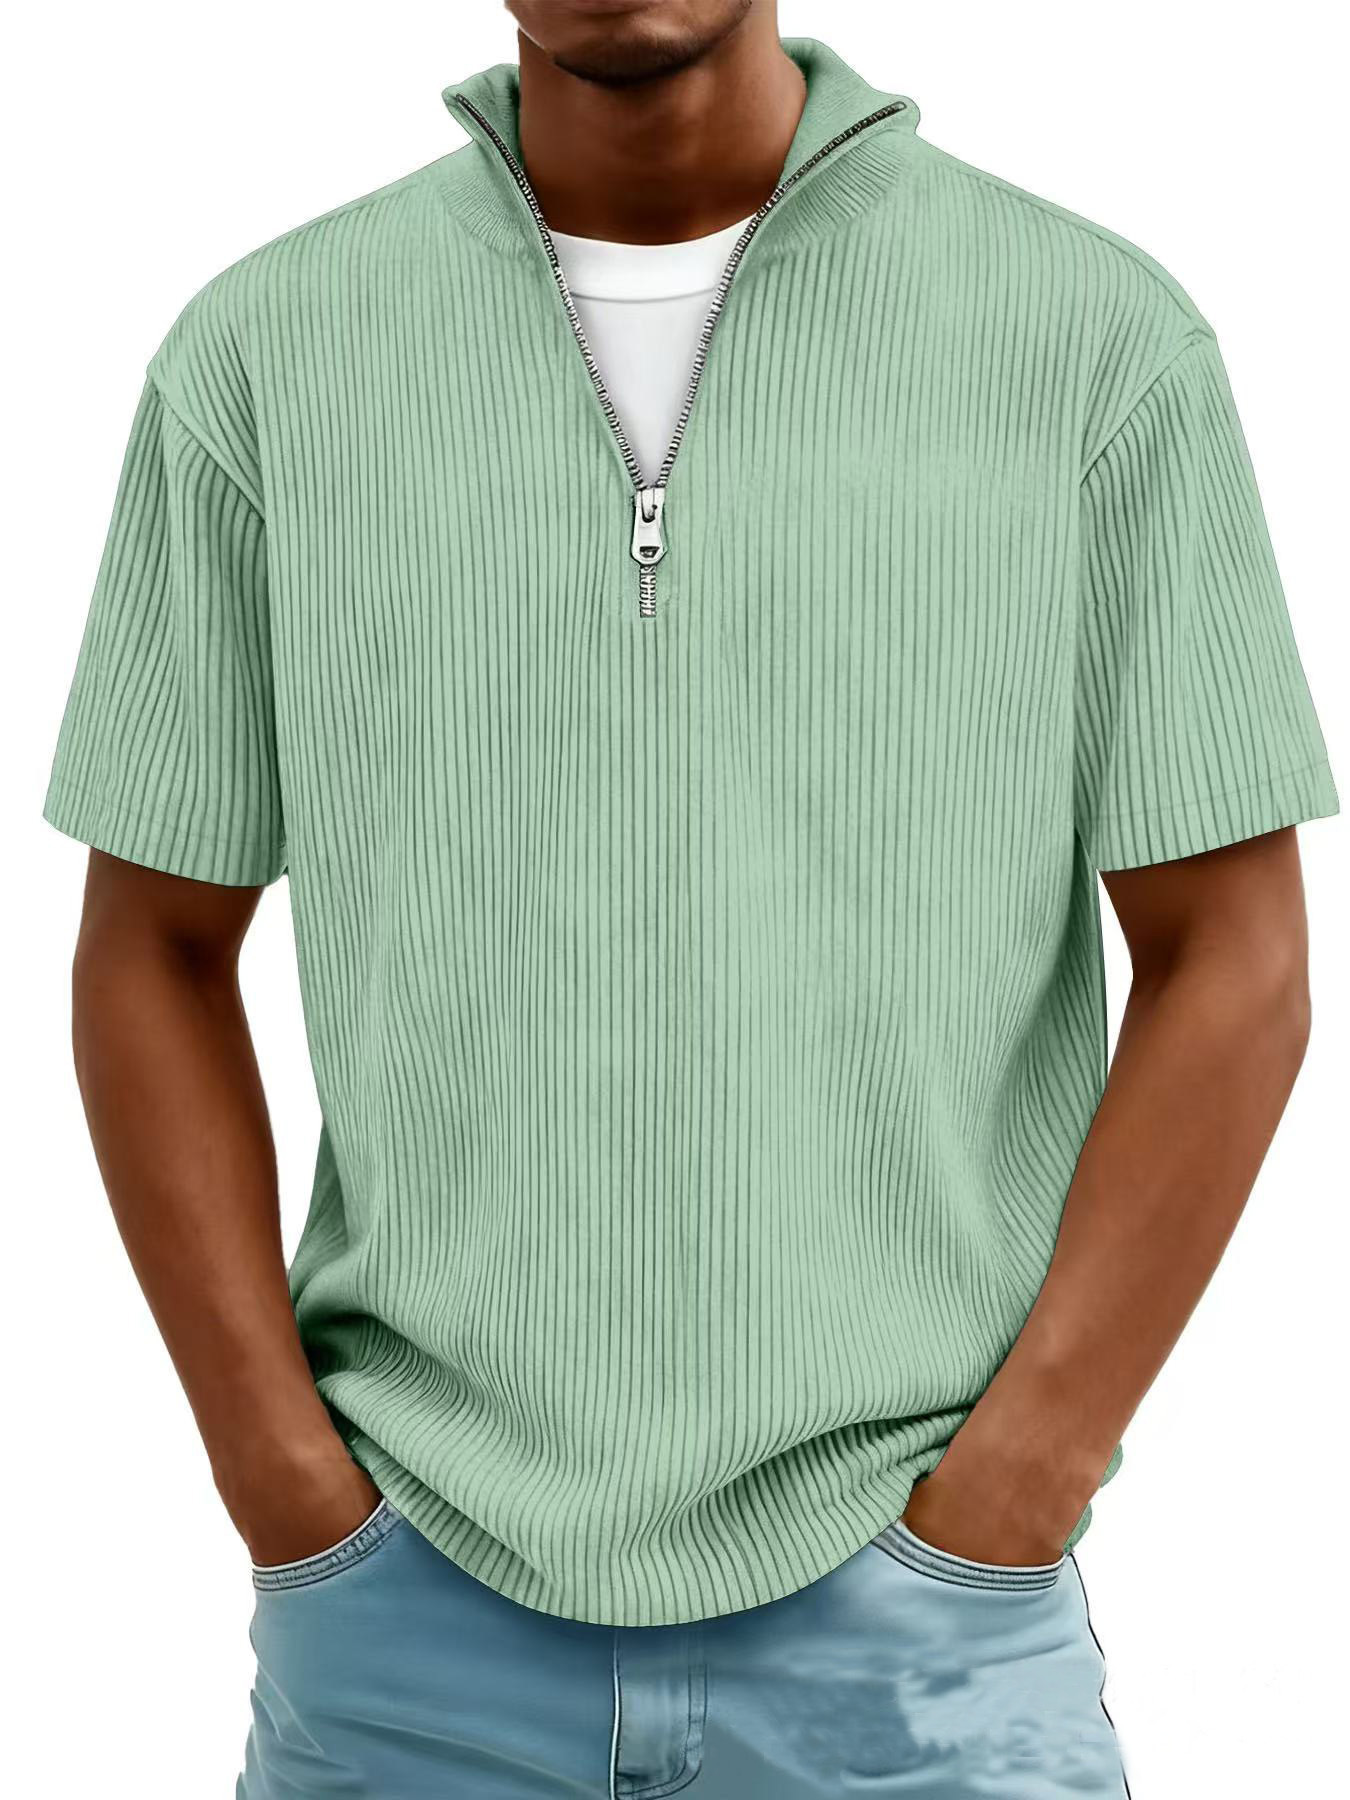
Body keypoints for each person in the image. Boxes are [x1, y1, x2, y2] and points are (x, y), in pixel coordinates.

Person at [46, 3, 1337, 1795]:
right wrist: (278, 1480)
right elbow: (154, 948)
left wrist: (1020, 1480)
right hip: (406, 1631)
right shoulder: (266, 357)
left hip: (919, 1638)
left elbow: (1235, 956)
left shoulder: (1089, 343)